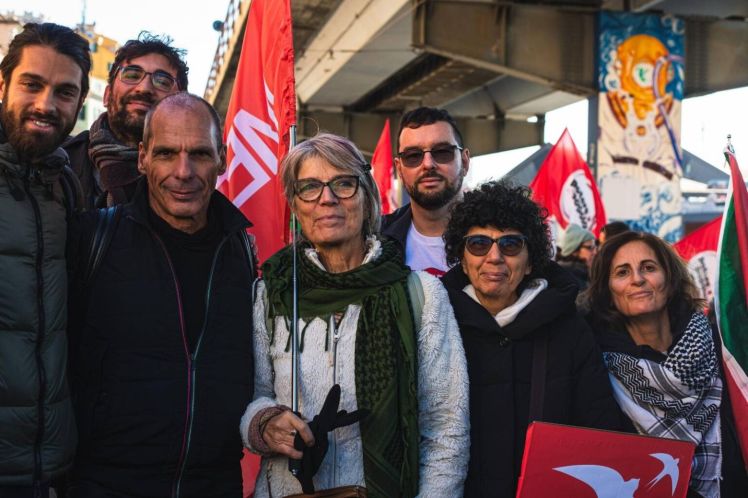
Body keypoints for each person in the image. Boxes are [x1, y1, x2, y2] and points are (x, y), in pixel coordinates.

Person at [242, 133, 469, 497]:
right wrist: (264, 423)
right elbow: (250, 398)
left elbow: (446, 428)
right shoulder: (273, 294)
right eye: (310, 187)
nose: (327, 199)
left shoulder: (421, 295)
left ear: (367, 197)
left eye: (343, 184)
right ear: (295, 206)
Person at [66, 93, 256, 497]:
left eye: (199, 154)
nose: (183, 172)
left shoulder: (244, 250)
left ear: (222, 158)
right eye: (166, 153)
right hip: (103, 485)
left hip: (216, 485)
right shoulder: (92, 239)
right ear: (142, 158)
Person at [440, 181, 623, 497]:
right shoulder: (436, 324)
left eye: (510, 244)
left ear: (530, 262)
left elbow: (600, 431)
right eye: (479, 243)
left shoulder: (569, 330)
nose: (494, 257)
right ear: (463, 257)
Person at [582, 231, 747, 497]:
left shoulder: (720, 346)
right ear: (608, 291)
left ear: (670, 281)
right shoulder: (596, 370)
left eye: (649, 268)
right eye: (623, 272)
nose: (638, 279)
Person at [0, 22, 90, 497]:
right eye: (31, 84)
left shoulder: (63, 185)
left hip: (43, 468)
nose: (45, 104)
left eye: (64, 92)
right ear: (3, 83)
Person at [64, 32, 188, 208]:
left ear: (182, 104)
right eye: (131, 75)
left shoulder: (193, 177)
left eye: (162, 81)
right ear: (107, 95)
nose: (144, 88)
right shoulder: (59, 163)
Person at [382, 107, 469, 276]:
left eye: (442, 152)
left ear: (465, 162)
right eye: (413, 156)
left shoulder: (505, 237)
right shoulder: (375, 241)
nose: (428, 164)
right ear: (399, 169)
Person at [556, 222, 597, 291]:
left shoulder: (582, 273)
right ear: (574, 250)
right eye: (590, 248)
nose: (595, 252)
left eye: (595, 247)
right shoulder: (569, 278)